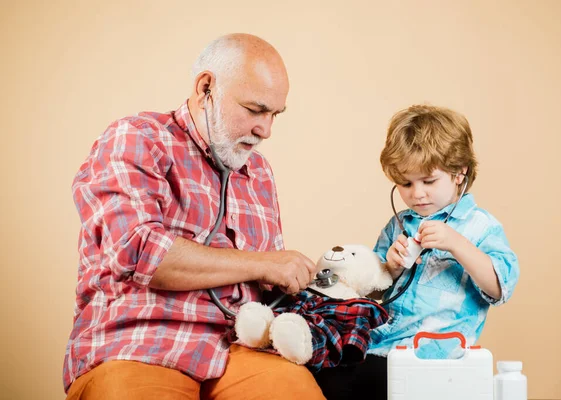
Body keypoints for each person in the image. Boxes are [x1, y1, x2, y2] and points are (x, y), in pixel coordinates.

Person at [63, 33, 325, 400]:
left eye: (274, 115)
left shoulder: (259, 172)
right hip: (139, 345)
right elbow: (140, 253)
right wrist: (264, 264)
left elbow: (265, 284)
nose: (265, 130)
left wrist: (311, 285)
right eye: (254, 110)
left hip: (240, 347)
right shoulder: (137, 138)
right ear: (206, 88)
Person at [316, 104, 520, 399]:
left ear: (459, 172)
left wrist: (457, 244)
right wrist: (391, 268)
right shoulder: (399, 224)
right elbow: (371, 291)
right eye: (406, 183)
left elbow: (501, 287)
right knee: (328, 375)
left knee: (369, 384)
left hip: (436, 357)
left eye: (429, 181)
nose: (417, 194)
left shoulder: (480, 227)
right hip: (385, 347)